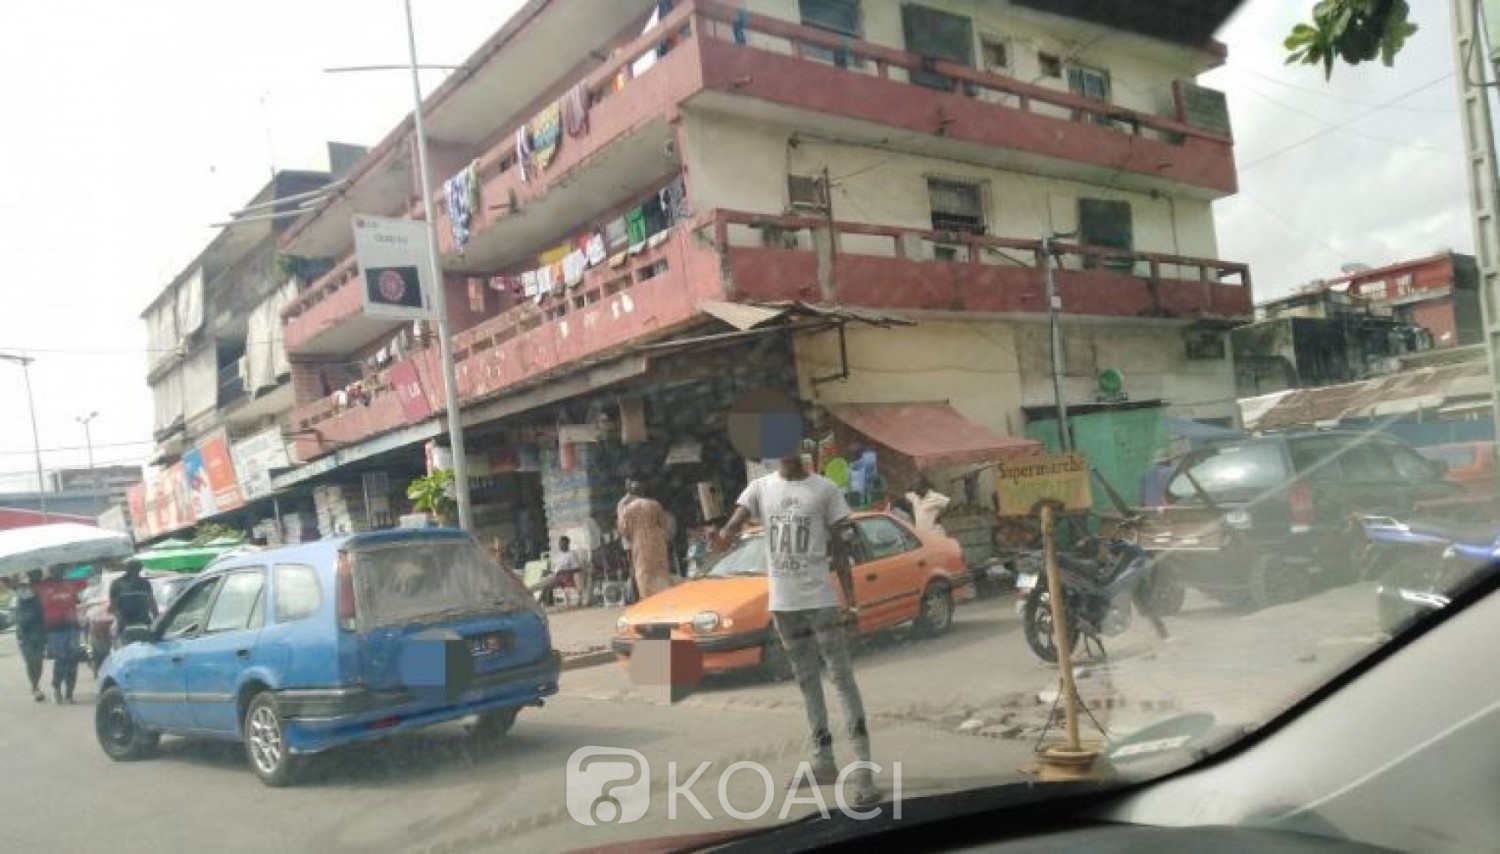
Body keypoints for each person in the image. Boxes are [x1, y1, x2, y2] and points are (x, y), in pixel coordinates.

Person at [713, 452, 882, 807]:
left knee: (842, 680)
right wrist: (724, 534)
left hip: (820, 602)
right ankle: (824, 761)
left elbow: (841, 550)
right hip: (784, 606)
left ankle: (864, 772)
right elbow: (734, 523)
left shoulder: (826, 490)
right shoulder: (760, 488)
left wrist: (851, 603)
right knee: (807, 683)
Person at [33, 566, 86, 704]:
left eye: (61, 569)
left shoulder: (72, 582)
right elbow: (27, 581)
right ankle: (56, 687)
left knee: (73, 660)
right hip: (55, 629)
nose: (59, 571)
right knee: (61, 660)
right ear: (51, 570)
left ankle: (69, 692)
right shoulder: (43, 586)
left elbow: (89, 574)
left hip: (72, 627)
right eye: (55, 569)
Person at [618, 481, 673, 600]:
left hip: (639, 543)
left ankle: (648, 599)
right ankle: (665, 597)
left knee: (643, 572)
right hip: (657, 542)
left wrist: (633, 537)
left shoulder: (627, 509)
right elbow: (663, 524)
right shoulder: (655, 505)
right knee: (660, 570)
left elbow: (623, 530)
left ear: (633, 493)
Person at [5, 571, 47, 701]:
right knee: (30, 661)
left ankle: (36, 684)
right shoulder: (15, 594)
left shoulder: (37, 590)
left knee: (38, 661)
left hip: (38, 631)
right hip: (24, 633)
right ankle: (35, 686)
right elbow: (12, 617)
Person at [109, 559, 159, 644]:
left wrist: (157, 618)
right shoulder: (117, 583)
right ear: (127, 569)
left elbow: (151, 601)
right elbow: (113, 604)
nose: (135, 570)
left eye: (137, 568)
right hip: (124, 623)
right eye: (132, 568)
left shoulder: (145, 583)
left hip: (144, 621)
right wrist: (120, 618)